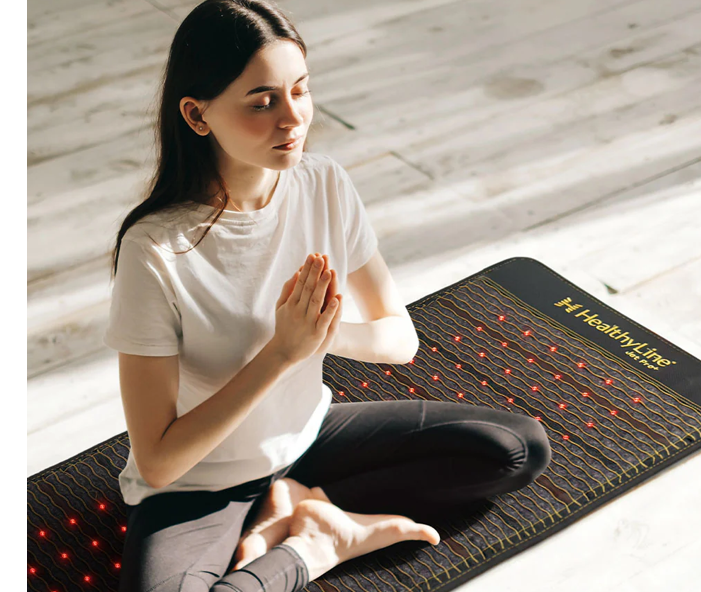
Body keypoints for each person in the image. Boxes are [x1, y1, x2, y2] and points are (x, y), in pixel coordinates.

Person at [103, 1, 553, 591]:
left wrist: (319, 331)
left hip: (306, 439)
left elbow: (399, 337)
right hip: (199, 480)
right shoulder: (155, 249)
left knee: (518, 447)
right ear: (197, 114)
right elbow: (159, 459)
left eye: (300, 91)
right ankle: (316, 546)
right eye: (261, 102)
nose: (292, 118)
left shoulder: (322, 183)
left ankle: (299, 502)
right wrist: (282, 352)